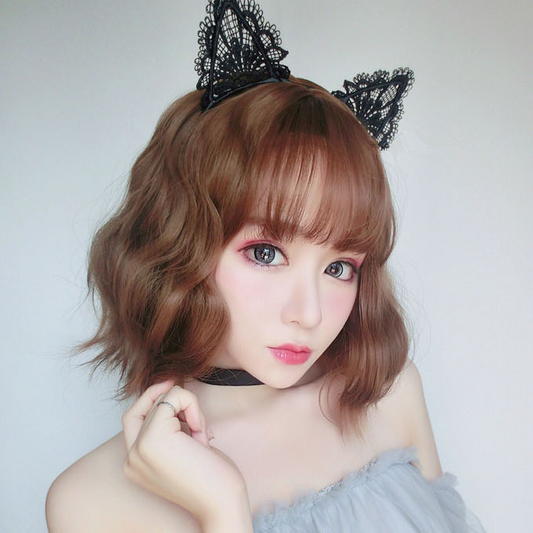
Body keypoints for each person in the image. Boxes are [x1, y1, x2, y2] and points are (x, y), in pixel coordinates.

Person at [45, 1, 485, 531]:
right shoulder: (91, 500)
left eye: (339, 267)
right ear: (179, 242)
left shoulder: (390, 398)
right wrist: (221, 505)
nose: (309, 313)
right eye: (266, 253)